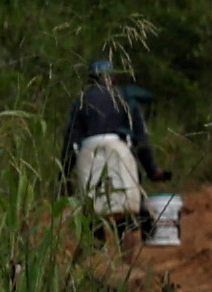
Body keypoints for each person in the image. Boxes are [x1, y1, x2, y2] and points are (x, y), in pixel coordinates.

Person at [62, 56, 152, 221]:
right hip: (118, 148)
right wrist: (152, 168)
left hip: (88, 151)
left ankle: (96, 246)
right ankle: (130, 237)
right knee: (124, 213)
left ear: (90, 79)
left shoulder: (80, 101)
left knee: (92, 213)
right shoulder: (125, 97)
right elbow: (141, 138)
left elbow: (71, 141)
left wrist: (64, 175)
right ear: (113, 77)